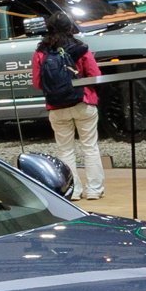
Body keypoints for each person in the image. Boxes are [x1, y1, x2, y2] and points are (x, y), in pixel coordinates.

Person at [33, 14, 106, 199]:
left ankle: (73, 191)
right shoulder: (80, 48)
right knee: (90, 147)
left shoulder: (41, 52)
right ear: (69, 27)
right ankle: (94, 190)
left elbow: (37, 82)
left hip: (56, 106)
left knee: (65, 150)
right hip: (84, 101)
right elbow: (95, 74)